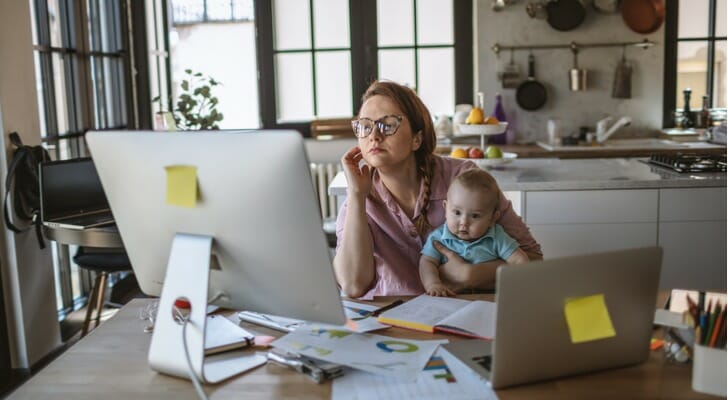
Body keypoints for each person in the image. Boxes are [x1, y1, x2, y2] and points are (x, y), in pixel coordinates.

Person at [334, 80, 541, 299]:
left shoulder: (463, 178)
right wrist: (357, 196)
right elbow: (353, 285)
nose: (374, 135)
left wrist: (472, 275)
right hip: (393, 323)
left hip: (466, 313)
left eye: (388, 124)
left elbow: (534, 260)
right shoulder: (358, 198)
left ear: (416, 139)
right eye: (365, 126)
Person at [419, 169, 530, 297]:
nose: (464, 222)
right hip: (452, 298)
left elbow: (519, 259)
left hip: (491, 297)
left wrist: (522, 282)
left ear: (492, 218)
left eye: (475, 216)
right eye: (457, 213)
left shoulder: (496, 236)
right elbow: (427, 262)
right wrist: (433, 284)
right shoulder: (438, 238)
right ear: (445, 208)